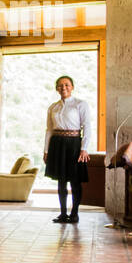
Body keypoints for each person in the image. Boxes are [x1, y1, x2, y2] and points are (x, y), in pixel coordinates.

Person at [43, 75, 91, 224]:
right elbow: (49, 130)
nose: (63, 88)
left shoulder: (80, 104)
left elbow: (87, 126)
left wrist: (84, 148)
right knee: (61, 181)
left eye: (67, 85)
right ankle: (63, 214)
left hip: (74, 145)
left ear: (72, 87)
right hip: (57, 145)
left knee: (75, 181)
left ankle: (74, 213)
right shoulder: (53, 107)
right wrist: (46, 150)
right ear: (56, 88)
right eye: (60, 85)